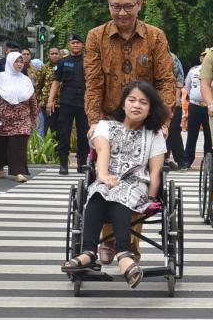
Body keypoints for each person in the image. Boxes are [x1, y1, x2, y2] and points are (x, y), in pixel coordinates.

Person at [84, 0, 177, 264]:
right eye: (116, 7)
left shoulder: (155, 37)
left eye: (128, 7)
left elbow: (165, 82)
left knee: (139, 175)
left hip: (146, 120)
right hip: (110, 120)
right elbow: (93, 84)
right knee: (108, 173)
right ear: (109, 6)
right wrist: (95, 123)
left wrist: (163, 122)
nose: (122, 13)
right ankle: (111, 241)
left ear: (139, 4)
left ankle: (124, 245)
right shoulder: (95, 37)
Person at [61, 80, 169, 289]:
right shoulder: (106, 126)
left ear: (150, 109)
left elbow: (155, 170)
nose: (136, 105)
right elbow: (102, 151)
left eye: (143, 102)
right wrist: (103, 175)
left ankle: (122, 252)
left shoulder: (154, 134)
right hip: (106, 179)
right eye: (132, 100)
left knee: (119, 192)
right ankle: (89, 252)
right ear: (123, 104)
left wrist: (153, 198)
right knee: (98, 191)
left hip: (137, 186)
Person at [0, 52, 38, 183]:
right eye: (16, 61)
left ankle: (18, 172)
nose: (19, 64)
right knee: (0, 144)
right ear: (10, 62)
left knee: (19, 144)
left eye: (21, 62)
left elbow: (32, 99)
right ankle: (0, 167)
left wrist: (34, 116)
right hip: (2, 117)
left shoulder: (25, 80)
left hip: (22, 118)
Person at [49, 34, 88, 175]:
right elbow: (56, 82)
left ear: (82, 45)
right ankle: (63, 164)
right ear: (69, 45)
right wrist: (50, 100)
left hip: (84, 101)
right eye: (73, 43)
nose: (76, 45)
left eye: (78, 42)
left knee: (83, 133)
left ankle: (82, 163)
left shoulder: (88, 61)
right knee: (64, 132)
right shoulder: (62, 62)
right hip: (67, 101)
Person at [183, 49, 213, 168]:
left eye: (208, 56)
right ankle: (187, 160)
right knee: (192, 134)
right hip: (195, 105)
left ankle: (209, 160)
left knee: (209, 135)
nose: (206, 58)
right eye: (204, 56)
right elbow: (188, 86)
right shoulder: (193, 71)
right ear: (201, 58)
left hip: (209, 106)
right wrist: (195, 98)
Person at [165, 52, 186, 170]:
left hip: (171, 99)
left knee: (173, 132)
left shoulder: (172, 58)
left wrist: (177, 98)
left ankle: (181, 161)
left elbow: (179, 79)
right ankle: (164, 160)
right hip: (151, 99)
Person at [36, 47, 62, 137]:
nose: (54, 55)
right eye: (52, 54)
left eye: (56, 53)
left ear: (60, 55)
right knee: (47, 128)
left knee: (60, 129)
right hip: (47, 105)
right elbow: (38, 86)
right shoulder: (44, 68)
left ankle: (58, 150)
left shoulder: (64, 67)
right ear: (48, 55)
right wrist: (38, 101)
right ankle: (48, 150)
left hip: (61, 104)